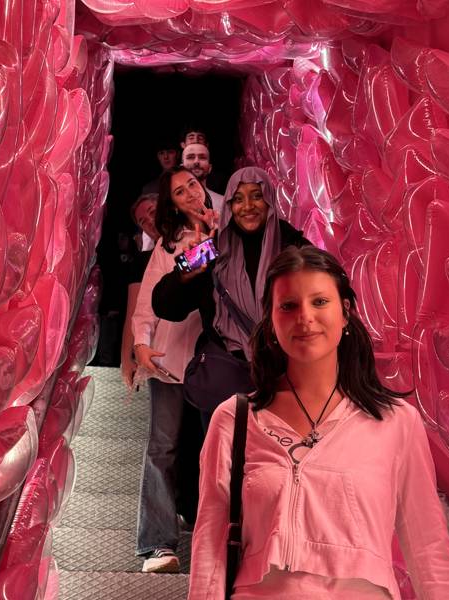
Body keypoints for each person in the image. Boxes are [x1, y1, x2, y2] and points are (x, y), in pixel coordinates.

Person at [189, 246, 449, 599]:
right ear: (271, 321)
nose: (304, 317)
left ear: (345, 313)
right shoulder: (233, 420)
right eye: (288, 306)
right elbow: (209, 549)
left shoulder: (396, 422)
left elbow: (429, 551)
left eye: (320, 302)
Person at [152, 167, 309, 419]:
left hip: (283, 379)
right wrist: (184, 272)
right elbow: (162, 304)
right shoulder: (210, 248)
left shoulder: (292, 245)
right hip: (227, 383)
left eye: (257, 195)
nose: (248, 206)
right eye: (238, 199)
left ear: (269, 200)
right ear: (228, 205)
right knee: (223, 456)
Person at [131, 167, 216, 573]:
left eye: (192, 186)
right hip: (167, 360)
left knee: (210, 451)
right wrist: (141, 344)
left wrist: (217, 237)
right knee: (162, 448)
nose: (188, 194)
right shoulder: (168, 245)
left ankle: (209, 538)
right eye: (179, 192)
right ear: (172, 202)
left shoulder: (229, 228)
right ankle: (156, 545)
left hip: (213, 361)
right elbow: (149, 298)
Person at [120, 193, 159, 388]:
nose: (150, 221)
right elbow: (133, 313)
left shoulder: (196, 244)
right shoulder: (141, 263)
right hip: (161, 359)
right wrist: (126, 359)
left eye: (153, 212)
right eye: (143, 221)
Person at [182, 142, 224, 214]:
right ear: (181, 167)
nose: (196, 162)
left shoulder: (222, 202)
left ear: (210, 168)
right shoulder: (171, 201)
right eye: (190, 157)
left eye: (202, 157)